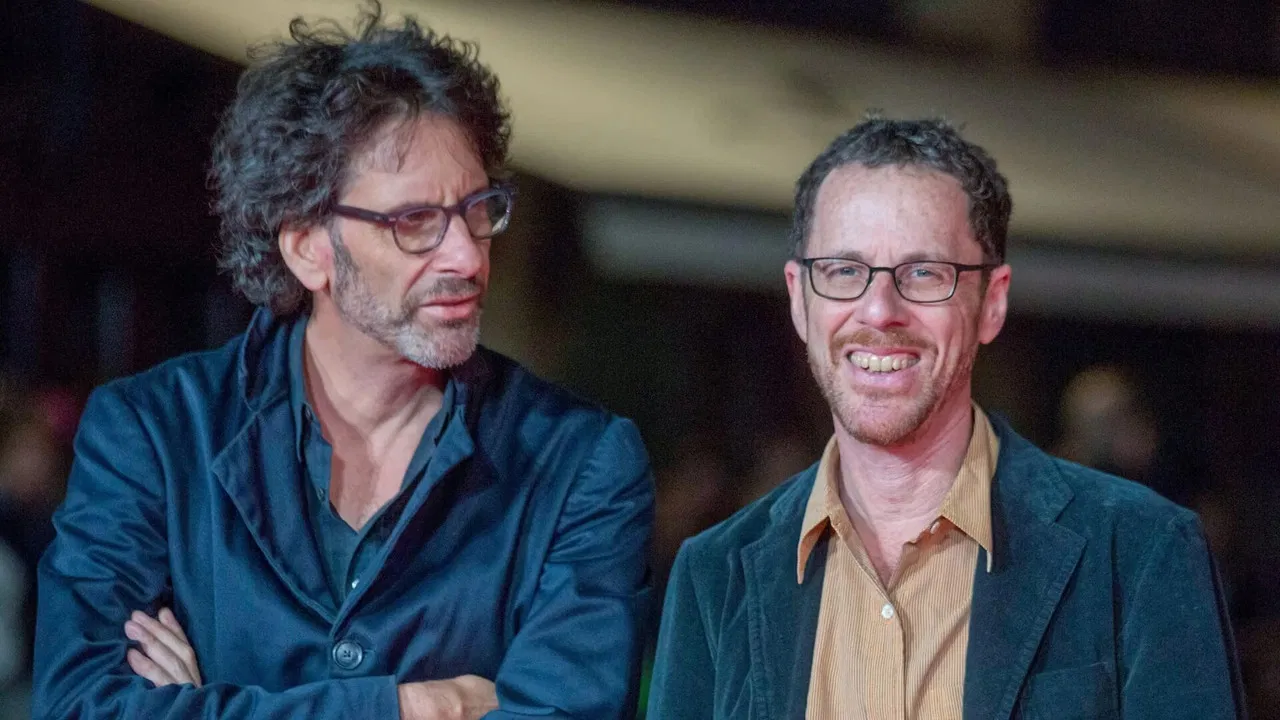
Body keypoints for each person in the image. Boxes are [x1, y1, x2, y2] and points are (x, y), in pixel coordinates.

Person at [32, 5, 654, 719]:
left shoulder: (580, 464)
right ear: (308, 248)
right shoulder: (154, 433)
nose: (467, 255)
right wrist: (412, 708)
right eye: (415, 221)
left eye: (479, 208)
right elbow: (81, 707)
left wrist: (205, 708)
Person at [647, 117, 1245, 718]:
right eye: (844, 271)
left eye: (924, 273)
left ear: (992, 303)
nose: (879, 311)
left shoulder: (1140, 551)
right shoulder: (714, 574)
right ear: (800, 299)